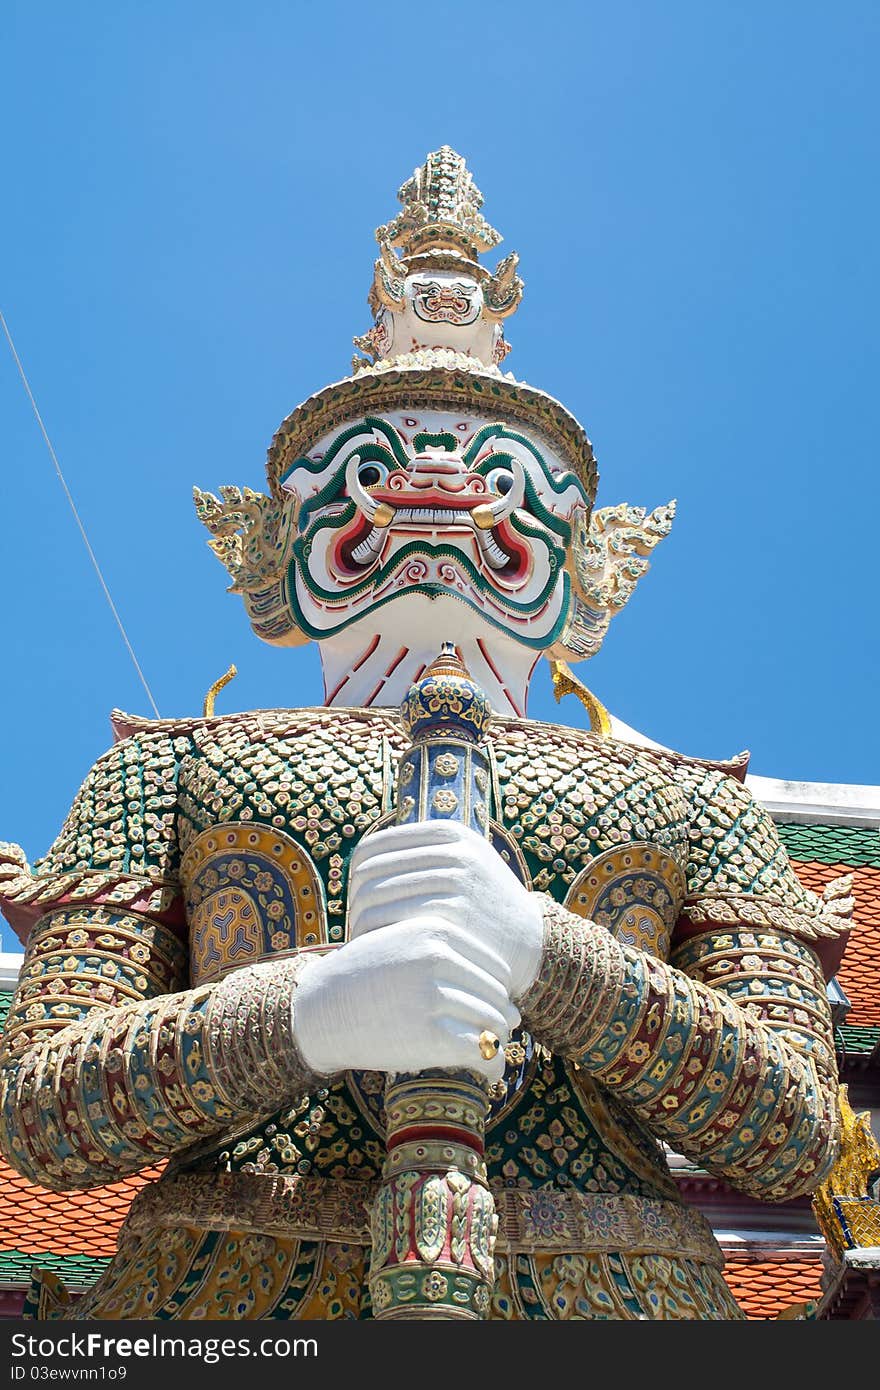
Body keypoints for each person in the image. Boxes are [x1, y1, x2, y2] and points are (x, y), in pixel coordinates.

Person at [0, 149, 850, 1320]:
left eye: (498, 464)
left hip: (619, 1300)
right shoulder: (169, 769)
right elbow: (46, 1116)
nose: (439, 477)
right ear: (273, 549)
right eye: (373, 462)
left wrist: (551, 950)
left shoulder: (690, 802)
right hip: (223, 1302)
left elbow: (794, 1136)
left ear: (586, 565)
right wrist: (313, 1005)